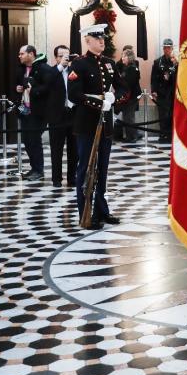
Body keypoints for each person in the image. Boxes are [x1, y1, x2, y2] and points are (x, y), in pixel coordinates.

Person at [68, 24, 127, 228]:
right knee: (85, 169)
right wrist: (99, 102)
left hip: (106, 123)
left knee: (102, 168)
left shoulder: (109, 63)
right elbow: (73, 94)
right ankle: (85, 212)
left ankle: (102, 211)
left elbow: (122, 87)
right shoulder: (79, 64)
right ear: (87, 41)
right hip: (86, 123)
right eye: (97, 38)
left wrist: (113, 98)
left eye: (103, 37)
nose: (102, 40)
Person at [14, 45, 49, 181]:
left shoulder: (43, 68)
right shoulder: (21, 69)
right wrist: (17, 88)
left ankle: (39, 170)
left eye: (22, 53)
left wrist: (33, 90)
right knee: (27, 141)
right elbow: (19, 85)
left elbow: (47, 87)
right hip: (25, 110)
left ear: (31, 54)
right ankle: (34, 168)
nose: (20, 56)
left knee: (34, 140)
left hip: (38, 111)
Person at [45, 45, 77, 188]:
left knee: (74, 149)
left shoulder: (74, 71)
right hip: (57, 116)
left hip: (72, 114)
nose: (65, 58)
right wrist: (60, 67)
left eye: (67, 55)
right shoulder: (50, 71)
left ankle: (72, 177)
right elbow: (46, 84)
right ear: (56, 58)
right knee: (56, 149)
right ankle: (56, 178)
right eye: (61, 55)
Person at [150, 39, 178, 143]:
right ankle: (163, 135)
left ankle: (171, 135)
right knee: (162, 115)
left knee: (172, 114)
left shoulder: (176, 62)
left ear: (172, 48)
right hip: (162, 92)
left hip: (173, 93)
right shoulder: (158, 62)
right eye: (165, 47)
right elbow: (154, 78)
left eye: (169, 48)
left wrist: (177, 65)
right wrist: (154, 91)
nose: (167, 49)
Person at [117, 48, 141, 142]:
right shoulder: (126, 68)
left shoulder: (132, 69)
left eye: (124, 56)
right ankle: (130, 135)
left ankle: (132, 136)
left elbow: (129, 83)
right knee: (127, 116)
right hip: (128, 96)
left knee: (129, 116)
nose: (122, 58)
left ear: (129, 57)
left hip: (132, 96)